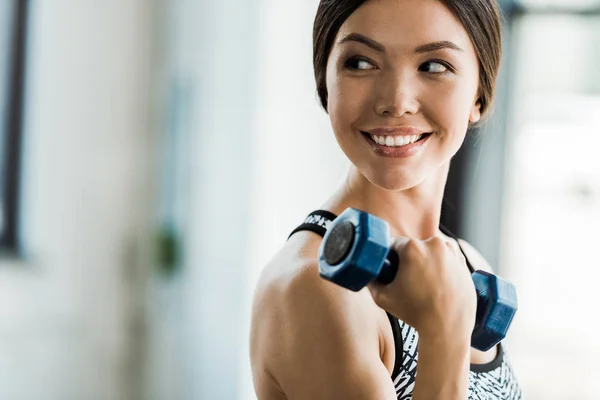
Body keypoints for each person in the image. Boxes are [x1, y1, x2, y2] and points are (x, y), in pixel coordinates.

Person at [250, 0, 522, 398]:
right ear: (325, 84)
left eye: (433, 66)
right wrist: (444, 330)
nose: (396, 100)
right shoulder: (316, 288)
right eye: (360, 62)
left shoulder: (465, 262)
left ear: (479, 95)